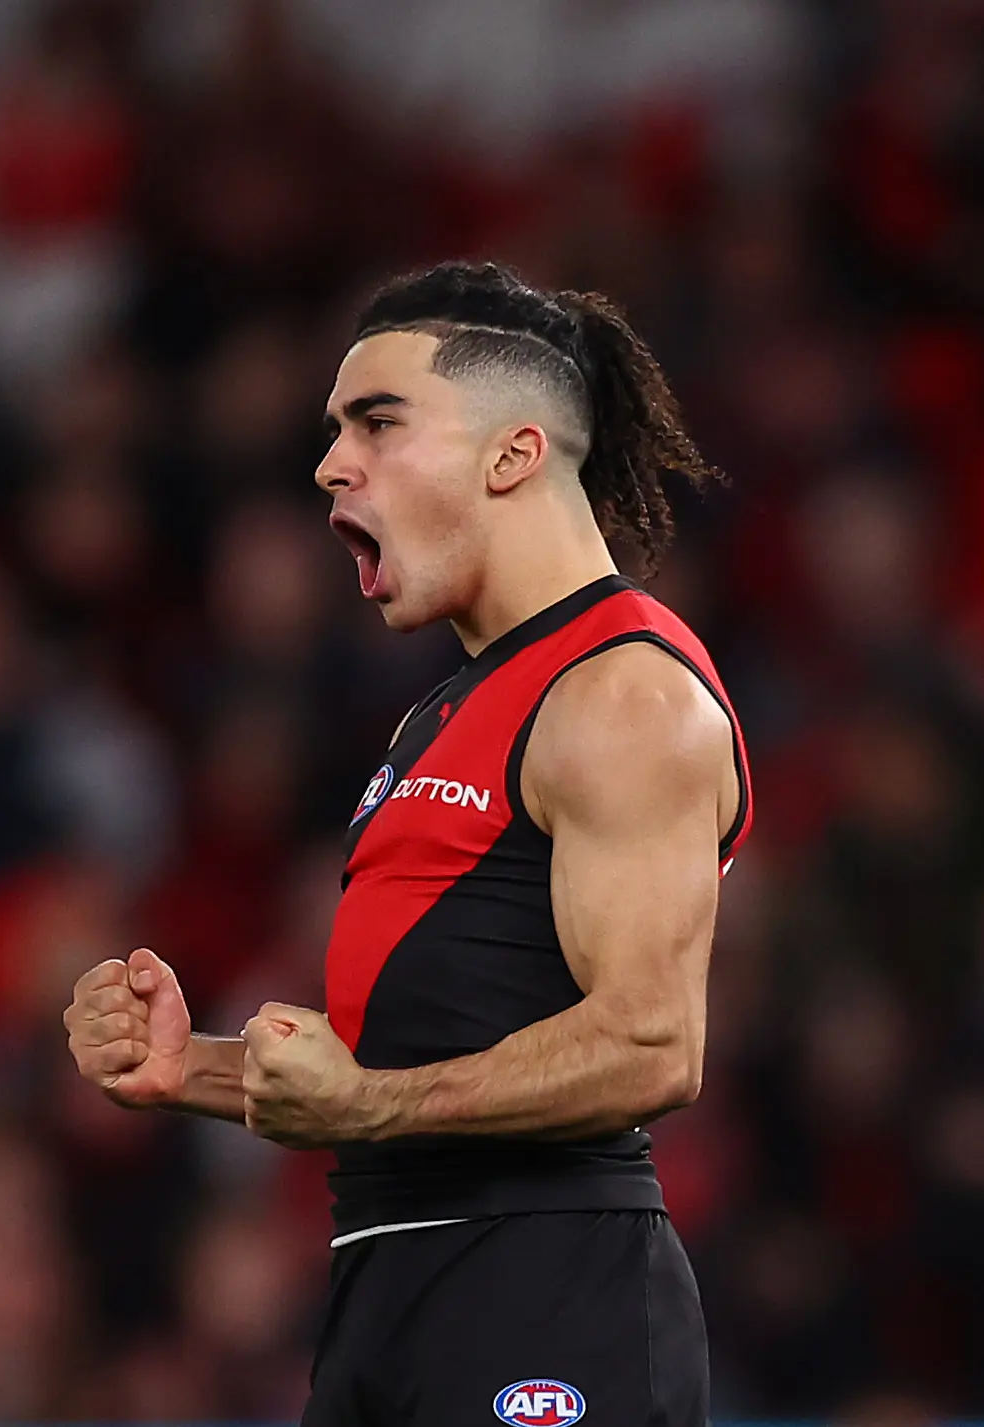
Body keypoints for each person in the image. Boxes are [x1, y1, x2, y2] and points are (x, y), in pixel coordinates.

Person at [62, 262, 752, 1427]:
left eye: (377, 422)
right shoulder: (439, 711)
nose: (332, 463)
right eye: (334, 431)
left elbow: (650, 1043)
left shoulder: (623, 695)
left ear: (512, 454)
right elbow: (404, 1054)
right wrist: (201, 1069)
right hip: (389, 1285)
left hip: (547, 1289)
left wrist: (369, 1109)